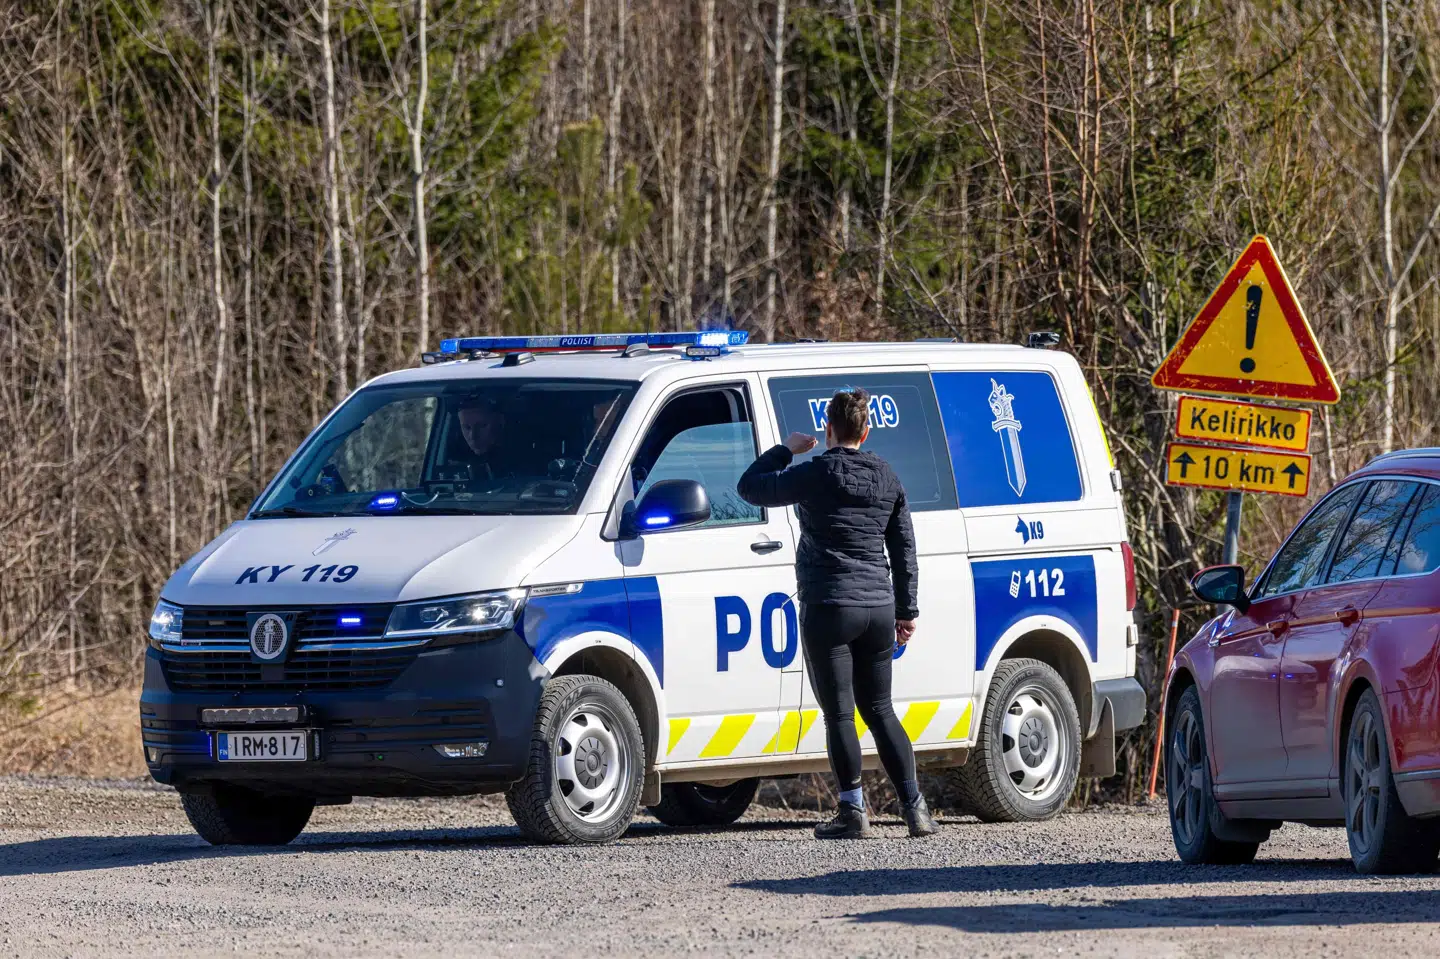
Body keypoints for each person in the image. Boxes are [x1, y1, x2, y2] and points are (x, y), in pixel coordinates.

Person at [737, 387, 935, 839]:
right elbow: (904, 550)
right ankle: (916, 809)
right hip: (879, 607)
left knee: (841, 716)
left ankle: (852, 812)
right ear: (865, 432)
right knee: (882, 709)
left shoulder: (816, 472)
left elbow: (750, 487)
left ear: (828, 430)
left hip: (830, 605)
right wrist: (907, 611)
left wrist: (786, 449)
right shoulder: (888, 476)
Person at [456, 396, 509, 481]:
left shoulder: (522, 460)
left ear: (500, 422)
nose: (473, 436)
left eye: (481, 426)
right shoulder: (453, 461)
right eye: (466, 427)